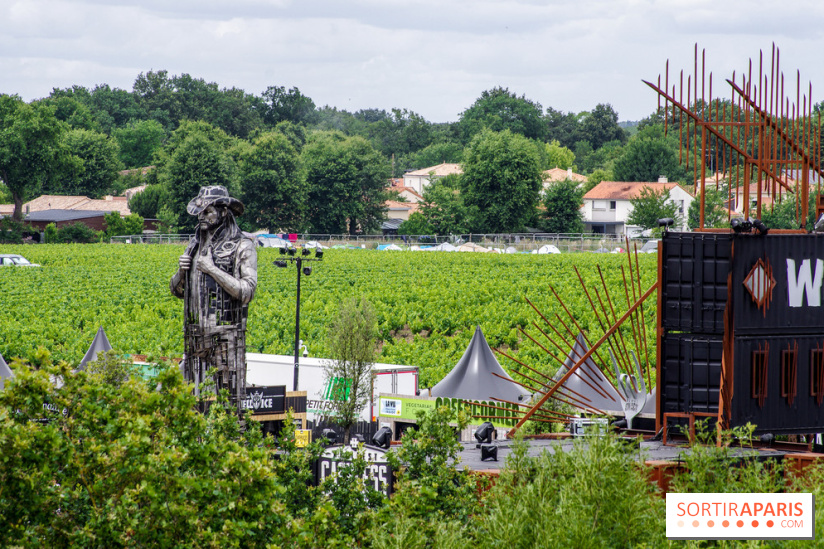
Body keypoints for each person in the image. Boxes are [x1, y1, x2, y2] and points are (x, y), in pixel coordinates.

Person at [170, 186, 257, 406]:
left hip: (226, 337)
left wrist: (212, 270)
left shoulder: (242, 245)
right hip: (194, 335)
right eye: (200, 212)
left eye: (207, 211)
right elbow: (177, 291)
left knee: (230, 404)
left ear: (224, 212)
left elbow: (246, 291)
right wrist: (181, 273)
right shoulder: (194, 244)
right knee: (186, 403)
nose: (202, 217)